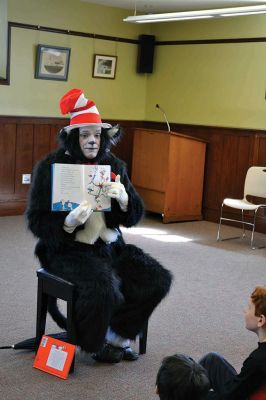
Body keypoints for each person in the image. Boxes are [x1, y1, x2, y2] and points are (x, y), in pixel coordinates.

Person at [26, 88, 172, 363]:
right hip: (68, 250)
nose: (92, 141)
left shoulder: (114, 164)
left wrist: (126, 200)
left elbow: (132, 217)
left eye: (96, 135)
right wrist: (67, 224)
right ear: (73, 138)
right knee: (103, 289)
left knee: (158, 279)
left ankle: (116, 335)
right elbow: (36, 220)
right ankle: (94, 346)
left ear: (103, 137)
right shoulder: (50, 167)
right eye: (85, 135)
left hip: (108, 245)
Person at [199, 286, 266, 399]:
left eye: (249, 308)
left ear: (261, 320)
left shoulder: (257, 360)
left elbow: (230, 397)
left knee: (189, 393)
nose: (244, 310)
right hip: (250, 389)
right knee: (212, 360)